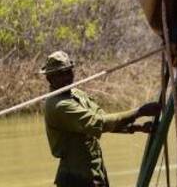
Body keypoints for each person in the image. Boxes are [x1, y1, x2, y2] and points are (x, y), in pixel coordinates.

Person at [41, 51, 161, 187]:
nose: (67, 77)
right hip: (76, 178)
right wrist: (139, 112)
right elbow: (98, 123)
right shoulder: (59, 105)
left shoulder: (76, 94)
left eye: (68, 72)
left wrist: (135, 127)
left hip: (95, 171)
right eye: (60, 74)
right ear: (49, 78)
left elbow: (103, 118)